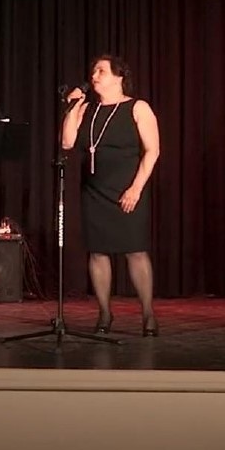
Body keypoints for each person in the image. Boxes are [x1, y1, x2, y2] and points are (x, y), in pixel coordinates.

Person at [60, 55, 161, 336]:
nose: (94, 76)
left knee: (135, 250)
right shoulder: (87, 109)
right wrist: (73, 108)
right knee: (98, 251)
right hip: (94, 192)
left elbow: (152, 151)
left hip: (128, 190)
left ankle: (148, 314)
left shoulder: (137, 108)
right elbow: (67, 142)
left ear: (119, 77)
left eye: (101, 71)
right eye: (93, 71)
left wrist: (136, 188)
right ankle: (104, 313)